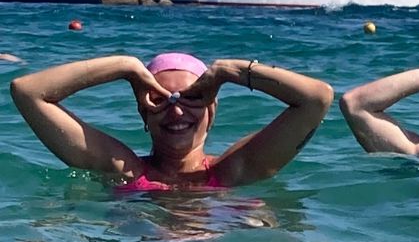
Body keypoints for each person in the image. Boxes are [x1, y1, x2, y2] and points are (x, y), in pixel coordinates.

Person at [9, 53, 333, 189]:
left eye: (192, 98)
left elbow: (316, 98)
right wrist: (125, 67)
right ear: (143, 113)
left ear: (212, 110)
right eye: (160, 100)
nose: (176, 111)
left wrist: (229, 71)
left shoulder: (234, 170)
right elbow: (28, 92)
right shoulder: (123, 170)